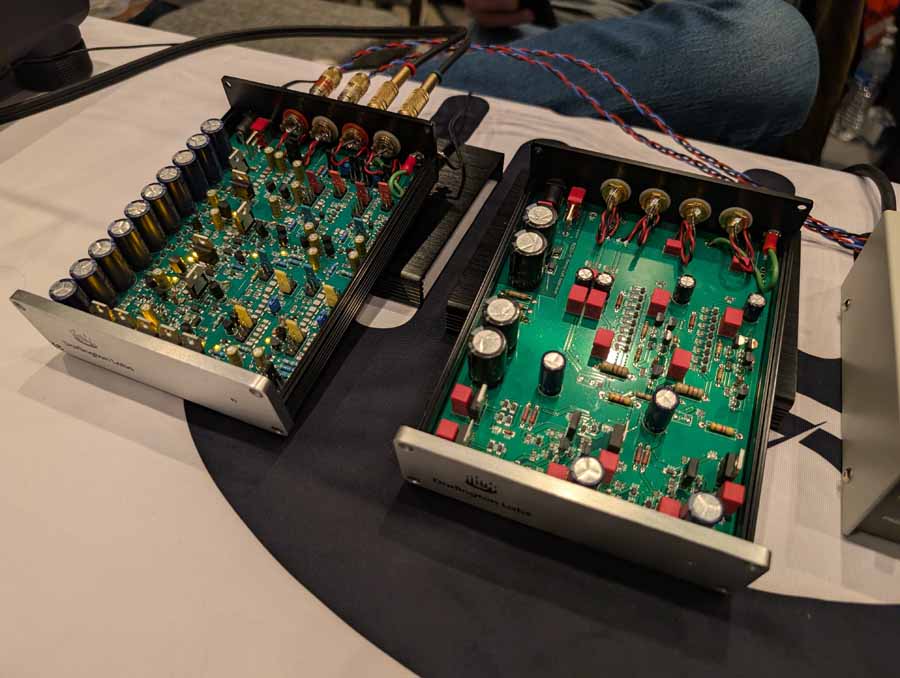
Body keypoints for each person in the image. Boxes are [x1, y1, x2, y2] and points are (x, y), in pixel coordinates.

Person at [427, 0, 819, 150]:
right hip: (533, 30)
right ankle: (409, 80)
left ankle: (412, 78)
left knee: (771, 47)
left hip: (687, 41)